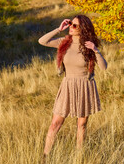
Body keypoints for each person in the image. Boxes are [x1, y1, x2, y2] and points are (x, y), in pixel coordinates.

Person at [38, 15, 107, 156]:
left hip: (84, 86)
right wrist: (59, 28)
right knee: (55, 123)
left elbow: (104, 67)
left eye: (74, 25)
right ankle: (45, 157)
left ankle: (79, 156)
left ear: (83, 28)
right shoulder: (64, 42)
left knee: (81, 125)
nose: (71, 27)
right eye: (70, 23)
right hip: (67, 85)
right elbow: (42, 41)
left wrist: (96, 50)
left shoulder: (89, 45)